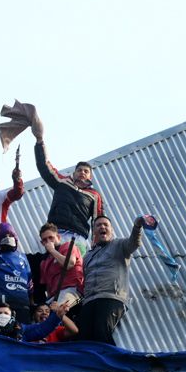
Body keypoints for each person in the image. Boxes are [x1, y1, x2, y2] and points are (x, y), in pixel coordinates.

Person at [33, 112, 104, 250]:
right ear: (74, 173)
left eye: (86, 171)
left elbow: (98, 220)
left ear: (90, 177)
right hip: (56, 234)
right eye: (79, 170)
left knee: (75, 270)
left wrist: (97, 246)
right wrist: (39, 140)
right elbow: (44, 166)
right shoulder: (62, 182)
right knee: (55, 268)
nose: (82, 172)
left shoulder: (94, 195)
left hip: (78, 237)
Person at [79, 215, 151, 345]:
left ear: (111, 230)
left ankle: (111, 363)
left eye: (105, 225)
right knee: (84, 337)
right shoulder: (88, 256)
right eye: (98, 225)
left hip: (111, 297)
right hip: (89, 300)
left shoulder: (120, 245)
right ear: (94, 231)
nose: (102, 227)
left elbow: (134, 243)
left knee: (101, 332)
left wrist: (137, 226)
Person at [0, 223, 33, 322]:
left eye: (10, 235)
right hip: (2, 305)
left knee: (22, 332)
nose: (8, 237)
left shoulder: (23, 256)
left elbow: (29, 280)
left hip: (23, 303)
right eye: (4, 236)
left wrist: (31, 301)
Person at [38, 223, 85, 309]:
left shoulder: (67, 247)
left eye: (51, 238)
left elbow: (69, 264)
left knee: (57, 311)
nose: (48, 241)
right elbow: (47, 286)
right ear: (42, 243)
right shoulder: (44, 262)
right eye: (45, 240)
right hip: (54, 296)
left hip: (72, 290)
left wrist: (52, 250)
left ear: (58, 237)